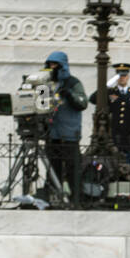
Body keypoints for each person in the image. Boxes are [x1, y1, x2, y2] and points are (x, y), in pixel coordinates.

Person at [41, 51, 87, 204]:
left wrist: (69, 94)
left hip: (69, 134)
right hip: (52, 133)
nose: (52, 67)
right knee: (53, 170)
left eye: (55, 64)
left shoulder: (73, 83)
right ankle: (53, 198)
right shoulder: (45, 83)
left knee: (73, 169)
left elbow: (83, 103)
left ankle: (77, 199)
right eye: (50, 64)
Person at [104, 62, 130, 172]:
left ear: (128, 76)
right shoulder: (110, 92)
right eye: (120, 75)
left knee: (128, 169)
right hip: (113, 137)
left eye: (124, 75)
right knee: (112, 169)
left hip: (129, 138)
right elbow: (93, 99)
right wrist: (106, 86)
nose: (122, 78)